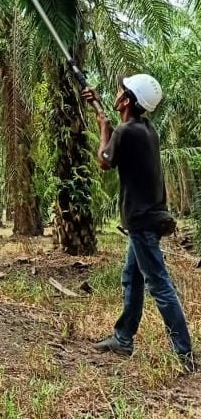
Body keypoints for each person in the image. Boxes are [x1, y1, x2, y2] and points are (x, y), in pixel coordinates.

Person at [82, 74, 195, 373]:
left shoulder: (126, 131)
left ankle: (185, 354)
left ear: (127, 101)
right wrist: (100, 112)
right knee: (132, 277)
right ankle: (123, 339)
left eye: (121, 91)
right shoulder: (146, 129)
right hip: (149, 218)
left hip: (142, 221)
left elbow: (105, 159)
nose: (117, 93)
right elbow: (119, 133)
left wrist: (103, 127)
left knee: (159, 284)